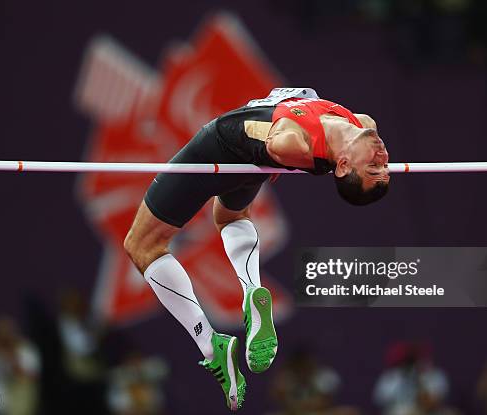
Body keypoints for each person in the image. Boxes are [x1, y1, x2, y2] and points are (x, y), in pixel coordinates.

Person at [123, 88, 390, 410]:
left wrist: (281, 150)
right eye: (383, 171)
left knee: (141, 245)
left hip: (219, 148)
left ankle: (210, 344)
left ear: (344, 165)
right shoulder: (361, 122)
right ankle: (251, 288)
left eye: (374, 170)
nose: (383, 162)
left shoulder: (293, 142)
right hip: (251, 159)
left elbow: (275, 140)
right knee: (230, 215)